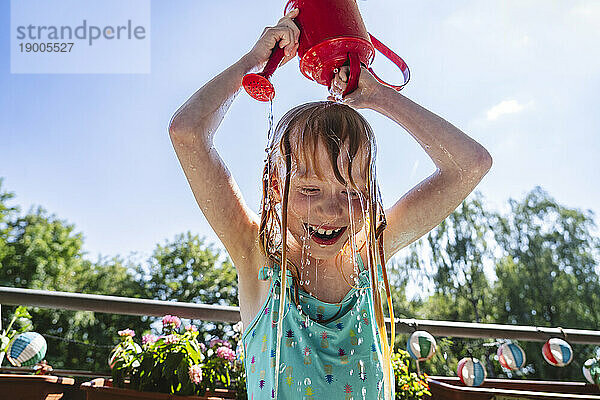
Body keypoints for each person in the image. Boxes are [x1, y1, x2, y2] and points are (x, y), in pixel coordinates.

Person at [168, 8, 492, 400]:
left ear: (370, 194)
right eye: (309, 190)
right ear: (274, 186)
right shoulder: (255, 255)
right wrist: (254, 62)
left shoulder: (369, 253)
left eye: (351, 192)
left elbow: (472, 165)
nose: (331, 211)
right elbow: (187, 133)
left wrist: (379, 97)